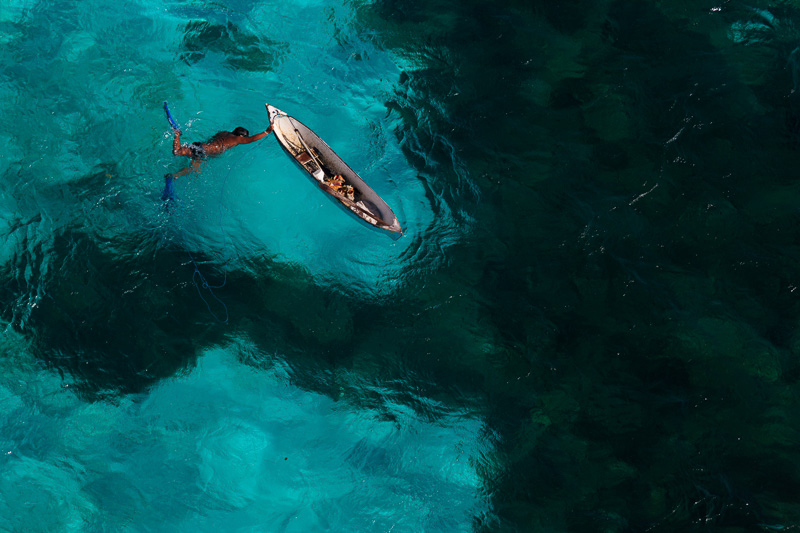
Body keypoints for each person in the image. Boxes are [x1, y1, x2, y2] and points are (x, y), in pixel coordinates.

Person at [169, 125, 273, 178]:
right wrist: (267, 131)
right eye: (243, 138)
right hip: (201, 150)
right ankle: (177, 133)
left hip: (201, 148)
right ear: (241, 136)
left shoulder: (224, 133)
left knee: (195, 170)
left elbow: (212, 142)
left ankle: (173, 176)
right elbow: (251, 139)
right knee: (176, 152)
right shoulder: (237, 139)